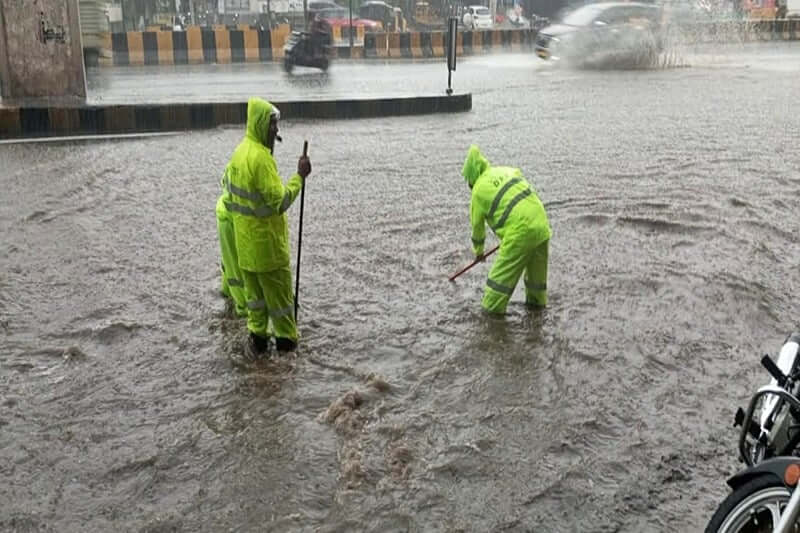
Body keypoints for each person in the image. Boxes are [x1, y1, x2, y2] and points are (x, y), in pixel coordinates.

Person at [222, 97, 311, 357]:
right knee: (283, 314)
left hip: (246, 252)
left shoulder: (239, 153)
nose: (276, 131)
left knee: (257, 313)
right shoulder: (260, 159)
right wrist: (299, 177)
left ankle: (258, 363)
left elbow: (231, 196)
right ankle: (287, 366)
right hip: (269, 252)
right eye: (273, 125)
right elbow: (279, 201)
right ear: (261, 124)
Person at [461, 145, 551, 314]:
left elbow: (477, 230)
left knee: (496, 286)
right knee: (536, 283)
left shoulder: (477, 192)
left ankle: (491, 321)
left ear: (472, 178)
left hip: (520, 231)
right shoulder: (506, 170)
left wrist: (479, 253)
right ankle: (537, 314)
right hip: (541, 223)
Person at [216, 191, 247, 318]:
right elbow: (278, 202)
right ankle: (242, 309)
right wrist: (298, 180)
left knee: (229, 260)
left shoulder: (231, 171)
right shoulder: (256, 171)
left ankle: (227, 294)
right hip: (235, 217)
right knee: (236, 266)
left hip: (224, 212)